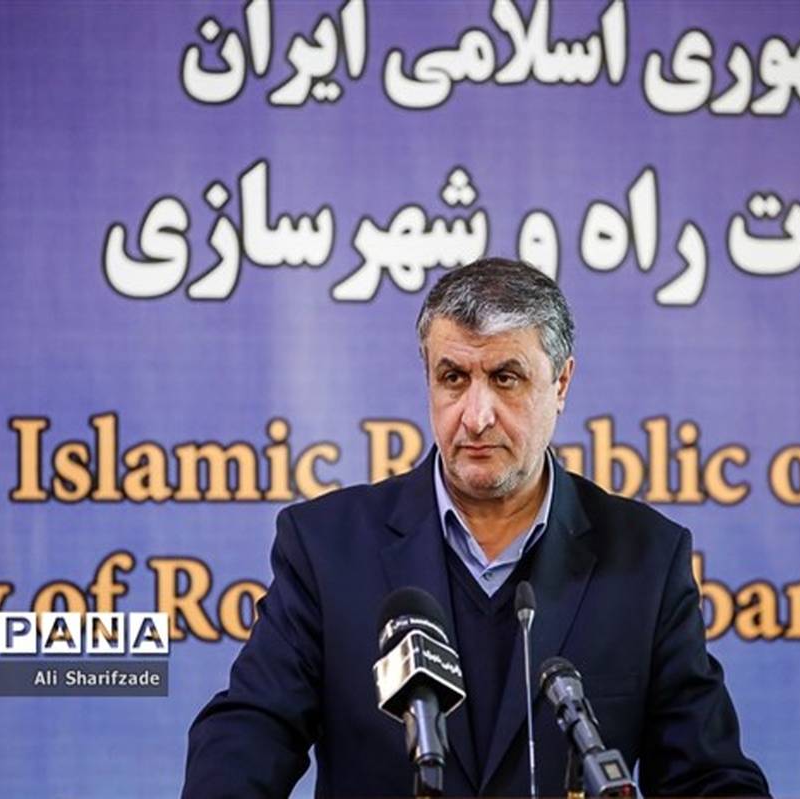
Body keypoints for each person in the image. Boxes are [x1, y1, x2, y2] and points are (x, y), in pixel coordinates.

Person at [183, 258, 769, 797]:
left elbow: (708, 776)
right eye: (454, 378)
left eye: (506, 377)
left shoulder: (645, 559)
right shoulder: (327, 547)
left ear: (561, 384)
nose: (477, 415)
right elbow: (248, 733)